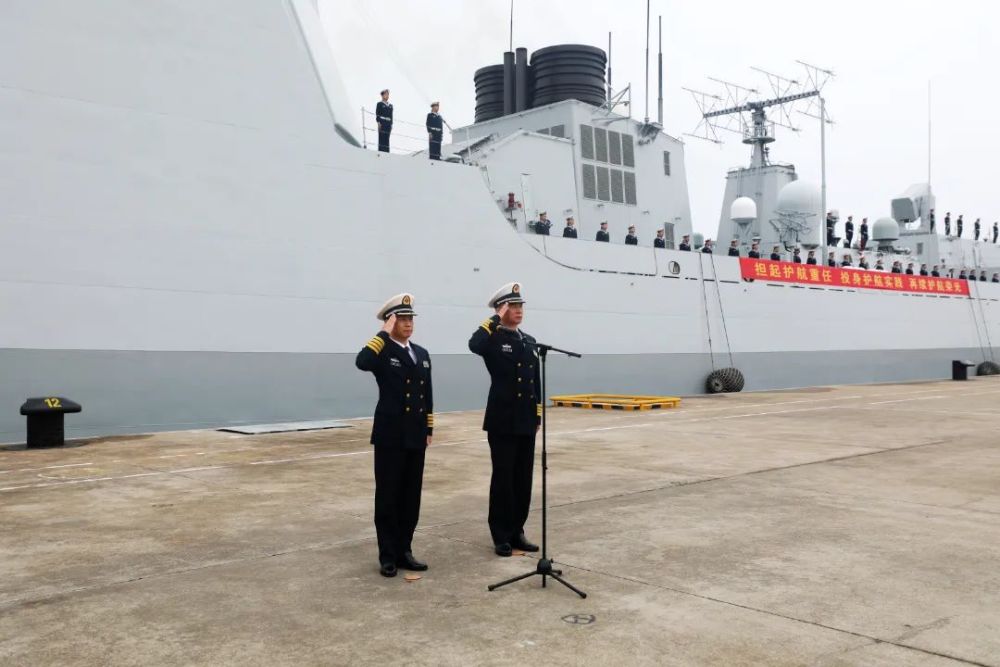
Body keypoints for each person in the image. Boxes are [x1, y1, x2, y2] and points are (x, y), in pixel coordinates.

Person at [355, 293, 433, 577]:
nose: (408, 323)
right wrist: (382, 334)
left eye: (410, 318)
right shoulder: (382, 352)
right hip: (390, 436)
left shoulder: (422, 354)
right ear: (391, 321)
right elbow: (362, 361)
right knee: (388, 496)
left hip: (415, 435)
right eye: (401, 319)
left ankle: (405, 551)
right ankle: (387, 555)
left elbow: (427, 395)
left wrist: (429, 427)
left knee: (410, 497)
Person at [468, 283, 541, 557]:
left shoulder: (529, 341)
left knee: (523, 479)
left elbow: (535, 381)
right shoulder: (493, 339)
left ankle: (517, 531)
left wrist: (537, 414)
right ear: (502, 309)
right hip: (502, 420)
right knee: (503, 478)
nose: (519, 311)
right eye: (513, 306)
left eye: (521, 306)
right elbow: (474, 344)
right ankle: (501, 535)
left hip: (525, 420)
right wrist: (495, 318)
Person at [376, 89, 393, 153]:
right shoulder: (379, 104)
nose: (387, 95)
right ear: (382, 95)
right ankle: (381, 152)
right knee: (381, 138)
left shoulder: (390, 106)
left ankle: (387, 152)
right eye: (386, 94)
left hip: (388, 123)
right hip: (382, 122)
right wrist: (378, 122)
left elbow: (391, 116)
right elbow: (378, 114)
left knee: (387, 139)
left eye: (388, 94)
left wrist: (391, 124)